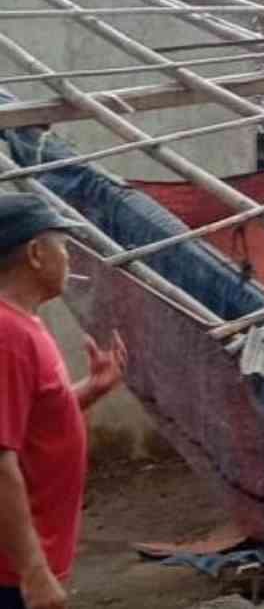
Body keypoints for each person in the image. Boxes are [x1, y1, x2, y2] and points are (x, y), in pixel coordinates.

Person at [0, 193, 128, 609]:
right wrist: (33, 573)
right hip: (11, 575)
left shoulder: (23, 322)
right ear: (36, 253)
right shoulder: (7, 335)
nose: (69, 258)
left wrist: (88, 391)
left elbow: (23, 423)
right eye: (64, 246)